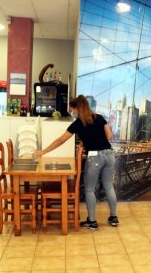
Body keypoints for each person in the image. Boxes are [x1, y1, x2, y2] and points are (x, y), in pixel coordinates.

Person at [33, 95, 118, 230]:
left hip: (95, 157)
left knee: (90, 189)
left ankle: (92, 221)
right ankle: (114, 217)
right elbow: (109, 136)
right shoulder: (99, 117)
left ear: (77, 108)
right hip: (109, 154)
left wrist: (42, 152)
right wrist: (88, 140)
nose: (72, 112)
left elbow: (61, 140)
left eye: (72, 110)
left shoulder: (78, 123)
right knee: (109, 186)